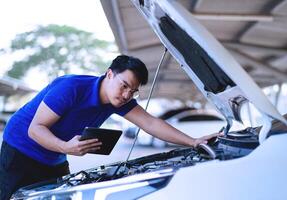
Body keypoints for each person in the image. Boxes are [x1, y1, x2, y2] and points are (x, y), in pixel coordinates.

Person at [0, 55, 219, 199]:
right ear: (109, 73)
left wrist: (193, 141)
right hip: (21, 149)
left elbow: (151, 123)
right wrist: (65, 147)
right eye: (124, 86)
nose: (126, 95)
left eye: (132, 92)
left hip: (54, 156)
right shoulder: (71, 87)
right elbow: (35, 129)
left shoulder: (119, 101)